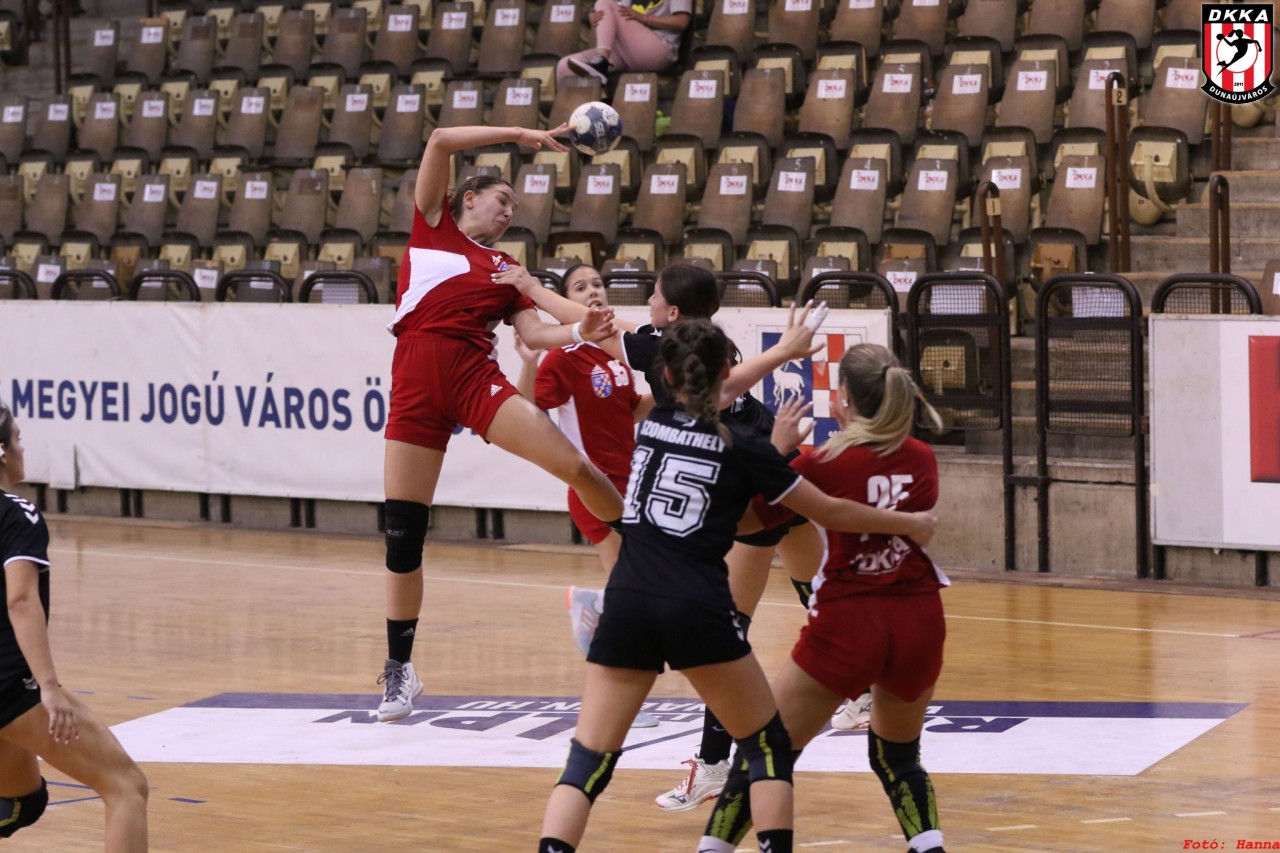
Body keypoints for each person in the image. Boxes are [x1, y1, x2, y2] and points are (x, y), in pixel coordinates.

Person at [536, 322, 937, 853]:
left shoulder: (654, 423)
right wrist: (906, 523)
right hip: (721, 606)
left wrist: (780, 375)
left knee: (588, 760)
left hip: (633, 596)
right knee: (776, 749)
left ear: (668, 376)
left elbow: (739, 476)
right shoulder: (760, 449)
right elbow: (823, 510)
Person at [376, 124, 625, 723]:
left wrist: (580, 328)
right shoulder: (432, 225)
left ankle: (641, 549)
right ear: (468, 198)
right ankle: (399, 670)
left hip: (473, 380)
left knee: (576, 467)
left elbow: (536, 332)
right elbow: (439, 139)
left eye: (515, 207)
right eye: (502, 200)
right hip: (414, 384)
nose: (510, 212)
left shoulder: (506, 267)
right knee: (403, 538)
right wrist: (523, 134)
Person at [697, 343, 951, 853]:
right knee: (899, 758)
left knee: (767, 752)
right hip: (919, 620)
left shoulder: (821, 463)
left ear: (844, 400)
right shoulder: (922, 458)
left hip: (849, 623)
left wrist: (774, 454)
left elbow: (743, 522)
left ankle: (712, 849)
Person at [512, 264, 659, 729]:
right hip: (595, 488)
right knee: (631, 587)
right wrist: (529, 363)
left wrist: (673, 387)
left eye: (597, 284)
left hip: (632, 485)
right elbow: (527, 409)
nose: (592, 291)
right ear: (565, 302)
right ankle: (617, 695)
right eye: (580, 287)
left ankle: (594, 609)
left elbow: (631, 411)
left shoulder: (618, 354)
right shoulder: (564, 357)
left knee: (636, 586)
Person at [0, 399, 149, 850]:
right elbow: (21, 600)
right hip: (11, 688)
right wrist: (48, 687)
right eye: (18, 439)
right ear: (2, 453)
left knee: (22, 801)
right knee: (125, 787)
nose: (23, 448)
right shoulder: (16, 513)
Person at [556, 0, 691, 83]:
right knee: (564, 66)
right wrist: (597, 17)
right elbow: (618, 15)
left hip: (658, 49)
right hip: (627, 52)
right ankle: (580, 119)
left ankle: (601, 60)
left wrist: (644, 18)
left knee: (604, 2)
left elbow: (682, 21)